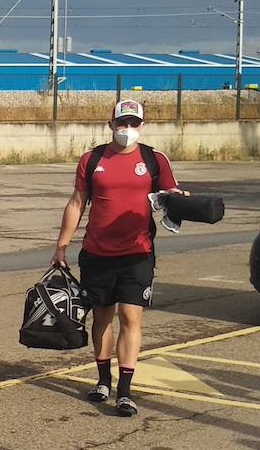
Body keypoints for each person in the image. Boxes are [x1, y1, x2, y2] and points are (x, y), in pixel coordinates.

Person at [51, 99, 184, 416]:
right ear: (110, 125)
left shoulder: (154, 160)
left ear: (143, 126)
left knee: (131, 317)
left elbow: (172, 195)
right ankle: (102, 381)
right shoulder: (92, 159)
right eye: (121, 123)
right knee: (101, 318)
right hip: (97, 253)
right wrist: (61, 246)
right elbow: (76, 203)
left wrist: (182, 200)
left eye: (133, 124)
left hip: (137, 252)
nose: (127, 130)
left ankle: (125, 391)